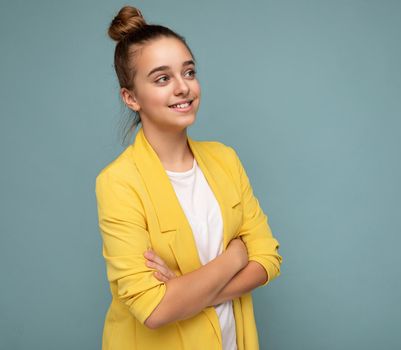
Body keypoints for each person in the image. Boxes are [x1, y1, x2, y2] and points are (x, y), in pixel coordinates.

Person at [95, 5, 283, 350]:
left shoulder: (225, 159)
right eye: (162, 78)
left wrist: (189, 290)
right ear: (131, 97)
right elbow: (154, 308)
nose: (183, 87)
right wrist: (235, 256)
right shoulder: (119, 182)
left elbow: (268, 258)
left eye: (189, 72)